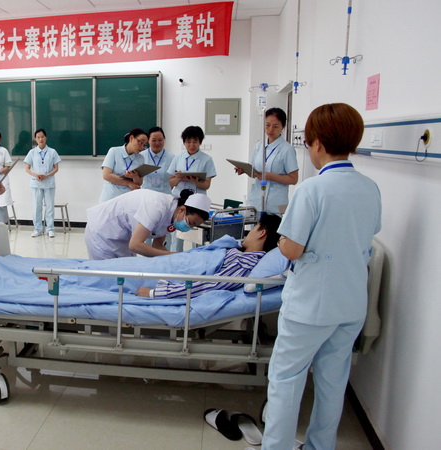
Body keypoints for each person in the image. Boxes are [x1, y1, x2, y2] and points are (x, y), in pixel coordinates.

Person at [261, 103, 381, 450]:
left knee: (286, 379)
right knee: (332, 381)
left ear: (317, 144)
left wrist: (281, 240)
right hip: (351, 304)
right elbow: (366, 234)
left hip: (311, 306)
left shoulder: (312, 189)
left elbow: (292, 249)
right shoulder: (370, 187)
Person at [136, 214, 281, 298]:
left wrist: (154, 293)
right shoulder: (239, 250)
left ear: (262, 233)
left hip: (167, 271)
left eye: (254, 228)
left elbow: (210, 284)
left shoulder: (244, 263)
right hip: (172, 263)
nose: (249, 233)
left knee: (126, 272)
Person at [85, 189, 211, 260]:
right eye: (190, 223)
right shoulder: (157, 207)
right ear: (182, 209)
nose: (188, 227)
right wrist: (172, 255)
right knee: (107, 277)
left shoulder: (174, 217)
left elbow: (158, 245)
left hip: (123, 236)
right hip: (102, 231)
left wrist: (176, 259)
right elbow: (135, 245)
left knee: (125, 276)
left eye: (192, 226)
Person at [236, 107, 298, 215]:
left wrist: (271, 176)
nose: (270, 130)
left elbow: (293, 179)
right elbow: (254, 172)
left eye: (275, 126)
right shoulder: (259, 146)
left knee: (272, 226)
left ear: (283, 127)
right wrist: (244, 170)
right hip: (256, 202)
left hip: (276, 205)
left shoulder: (287, 149)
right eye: (267, 125)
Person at [166, 125, 217, 252]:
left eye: (195, 141)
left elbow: (207, 184)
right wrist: (179, 178)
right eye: (188, 142)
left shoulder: (207, 159)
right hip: (179, 199)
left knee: (196, 234)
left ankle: (196, 256)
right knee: (177, 234)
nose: (191, 145)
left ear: (200, 142)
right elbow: (170, 182)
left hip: (197, 201)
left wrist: (194, 180)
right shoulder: (178, 157)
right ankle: (175, 255)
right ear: (184, 142)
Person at [24, 128, 61, 238]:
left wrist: (47, 175)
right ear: (35, 139)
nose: (40, 139)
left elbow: (56, 168)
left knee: (49, 207)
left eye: (42, 137)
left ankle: (50, 229)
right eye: (38, 137)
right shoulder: (32, 152)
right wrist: (35, 175)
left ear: (46, 137)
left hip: (49, 183)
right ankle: (37, 229)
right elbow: (27, 168)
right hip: (36, 183)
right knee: (37, 207)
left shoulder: (52, 152)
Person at [99, 128, 149, 202]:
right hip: (111, 197)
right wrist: (129, 183)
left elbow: (139, 183)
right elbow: (106, 175)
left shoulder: (141, 158)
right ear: (131, 138)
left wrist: (135, 176)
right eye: (140, 142)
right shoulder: (114, 151)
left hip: (128, 199)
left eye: (144, 145)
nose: (142, 147)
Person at [141, 126, 174, 194]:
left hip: (165, 195)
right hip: (146, 194)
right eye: (154, 140)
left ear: (164, 140)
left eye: (160, 140)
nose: (157, 143)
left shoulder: (172, 158)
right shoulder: (141, 156)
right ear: (148, 141)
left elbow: (173, 179)